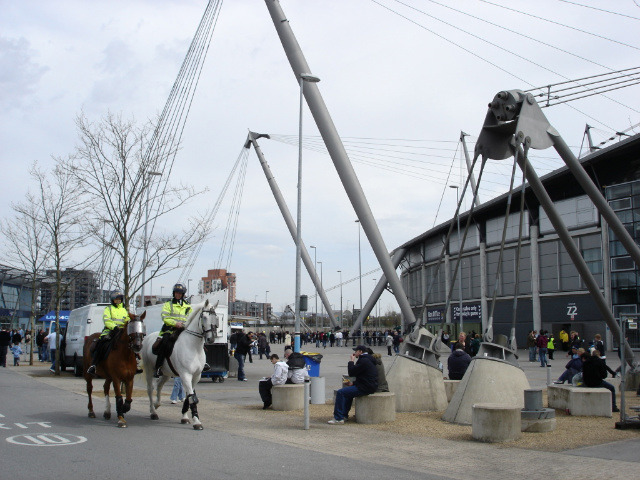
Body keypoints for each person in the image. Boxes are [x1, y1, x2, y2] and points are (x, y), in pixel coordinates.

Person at [328, 345, 378, 424]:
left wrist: (351, 361)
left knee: (341, 393)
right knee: (348, 394)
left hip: (365, 387)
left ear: (360, 352)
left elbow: (351, 372)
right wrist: (352, 383)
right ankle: (343, 415)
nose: (354, 353)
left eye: (356, 351)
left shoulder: (364, 360)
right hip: (369, 385)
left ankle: (338, 418)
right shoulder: (369, 359)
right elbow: (365, 376)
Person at [87, 290, 130, 376]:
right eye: (116, 299)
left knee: (132, 343)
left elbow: (127, 319)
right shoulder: (108, 309)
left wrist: (126, 326)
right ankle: (94, 365)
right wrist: (114, 327)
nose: (118, 300)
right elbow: (107, 320)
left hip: (122, 331)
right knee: (101, 344)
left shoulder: (124, 310)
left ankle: (135, 364)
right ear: (113, 300)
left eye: (120, 299)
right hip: (110, 331)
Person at [153, 283, 192, 378]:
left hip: (183, 329)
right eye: (176, 293)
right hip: (170, 329)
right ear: (174, 293)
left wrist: (185, 324)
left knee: (196, 341)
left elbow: (190, 317)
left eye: (180, 293)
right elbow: (165, 317)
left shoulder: (188, 306)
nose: (178, 295)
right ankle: (158, 367)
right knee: (165, 343)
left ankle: (202, 363)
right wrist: (175, 323)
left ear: (183, 294)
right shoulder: (168, 304)